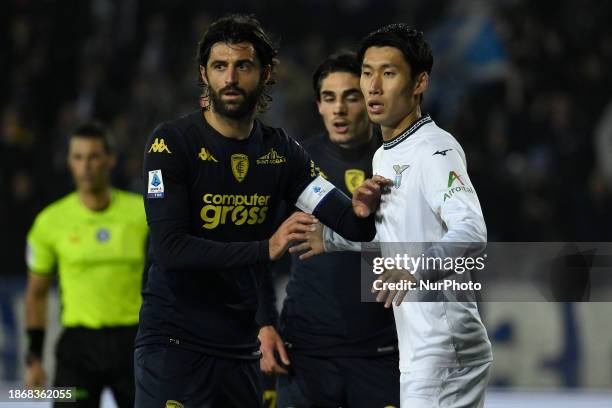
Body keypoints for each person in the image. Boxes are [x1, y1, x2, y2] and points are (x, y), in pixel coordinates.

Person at [135, 14, 383, 408]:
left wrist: (362, 210)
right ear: (204, 74)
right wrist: (264, 248)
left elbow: (350, 223)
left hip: (240, 350)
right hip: (175, 345)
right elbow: (170, 249)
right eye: (220, 66)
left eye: (243, 66)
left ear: (265, 73)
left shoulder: (282, 152)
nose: (230, 78)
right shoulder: (171, 142)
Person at [294, 24, 493, 407]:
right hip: (422, 345)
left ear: (419, 83)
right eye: (367, 72)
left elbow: (472, 232)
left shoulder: (435, 150)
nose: (373, 86)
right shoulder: (386, 153)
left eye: (388, 73)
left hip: (444, 347)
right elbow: (398, 233)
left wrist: (415, 268)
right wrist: (332, 238)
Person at [258, 51, 400, 407]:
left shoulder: (401, 163)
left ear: (370, 98)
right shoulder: (295, 164)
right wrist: (263, 324)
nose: (339, 109)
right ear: (318, 105)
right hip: (305, 352)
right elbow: (261, 251)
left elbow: (429, 248)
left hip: (382, 351)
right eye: (329, 98)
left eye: (351, 97)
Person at [24, 121, 147, 407]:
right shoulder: (50, 222)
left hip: (134, 343)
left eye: (93, 156)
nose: (86, 166)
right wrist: (34, 358)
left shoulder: (142, 214)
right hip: (77, 350)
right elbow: (36, 293)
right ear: (69, 162)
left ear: (110, 159)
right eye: (78, 157)